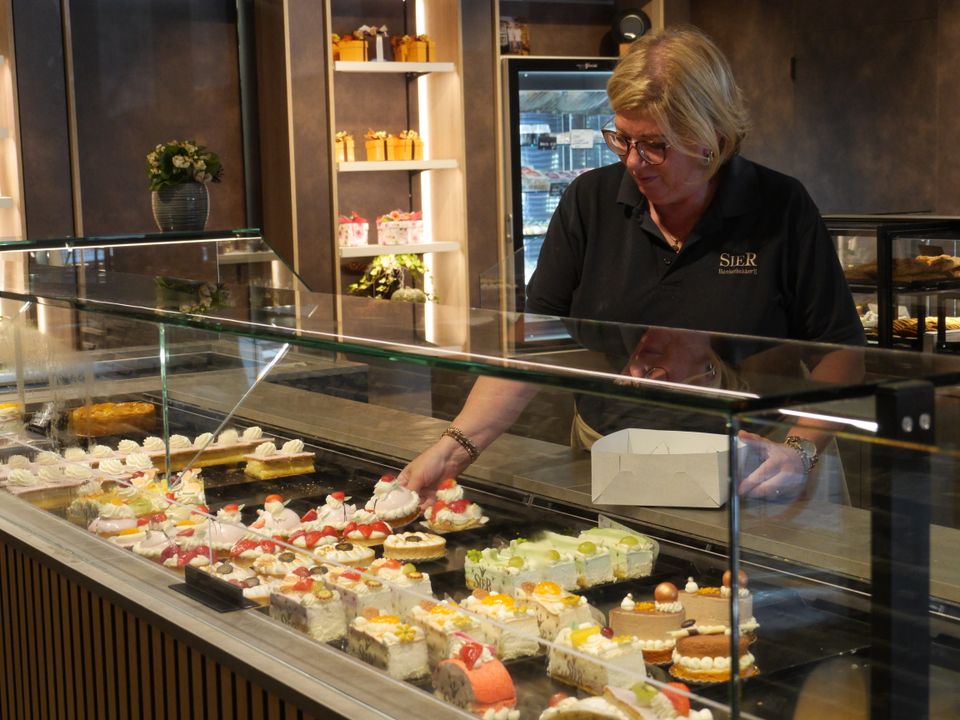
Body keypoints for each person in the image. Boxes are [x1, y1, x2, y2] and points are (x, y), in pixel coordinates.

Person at [399, 26, 865, 506]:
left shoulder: (780, 205)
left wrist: (797, 449)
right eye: (622, 139)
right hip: (609, 460)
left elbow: (840, 351)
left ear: (714, 139)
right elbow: (533, 348)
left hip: (751, 470)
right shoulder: (590, 200)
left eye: (655, 145)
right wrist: (452, 450)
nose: (634, 163)